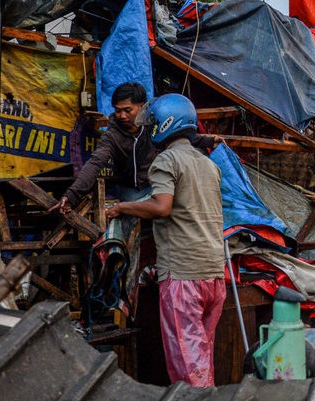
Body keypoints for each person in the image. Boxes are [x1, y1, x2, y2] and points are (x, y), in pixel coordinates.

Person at [105, 93, 225, 386]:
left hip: (183, 275)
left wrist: (122, 208)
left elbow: (161, 206)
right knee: (203, 356)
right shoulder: (208, 164)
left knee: (188, 366)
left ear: (165, 125)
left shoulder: (166, 160)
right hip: (214, 272)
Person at [51, 82, 155, 212]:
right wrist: (71, 196)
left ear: (142, 106)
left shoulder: (155, 125)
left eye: (128, 110)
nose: (122, 116)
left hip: (159, 186)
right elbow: (95, 163)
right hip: (130, 191)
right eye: (118, 111)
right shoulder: (112, 136)